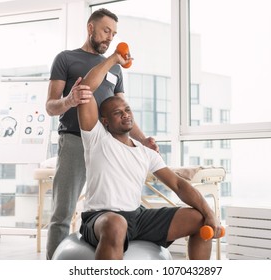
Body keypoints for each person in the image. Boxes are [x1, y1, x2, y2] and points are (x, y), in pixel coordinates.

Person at [75, 48, 223, 260]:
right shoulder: (97, 138)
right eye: (118, 113)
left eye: (127, 110)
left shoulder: (146, 152)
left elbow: (179, 185)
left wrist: (210, 213)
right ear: (105, 121)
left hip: (138, 217)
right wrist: (115, 59)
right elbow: (85, 89)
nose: (125, 115)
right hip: (101, 218)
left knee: (199, 218)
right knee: (116, 223)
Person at [45, 8, 158, 260]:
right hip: (75, 141)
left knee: (110, 210)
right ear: (90, 28)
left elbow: (122, 110)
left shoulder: (116, 70)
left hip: (107, 147)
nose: (110, 38)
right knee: (62, 213)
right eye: (106, 30)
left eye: (114, 33)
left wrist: (143, 139)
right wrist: (69, 101)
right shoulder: (65, 59)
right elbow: (50, 106)